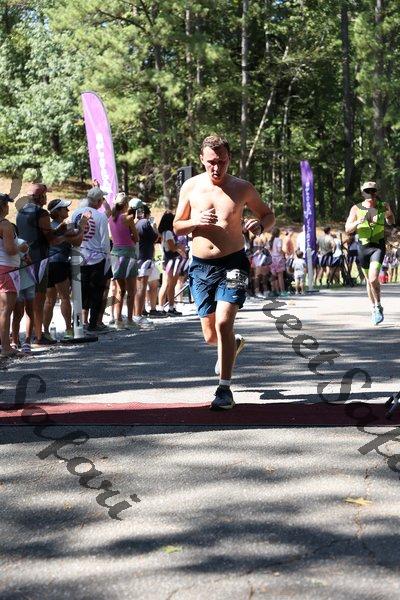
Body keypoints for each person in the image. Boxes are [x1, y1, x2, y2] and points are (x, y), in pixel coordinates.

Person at [174, 135, 275, 410]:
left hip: (234, 263)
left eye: (222, 161)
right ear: (201, 160)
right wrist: (195, 221)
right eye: (211, 162)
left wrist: (260, 226)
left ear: (229, 159)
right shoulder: (191, 187)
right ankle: (232, 344)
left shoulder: (242, 188)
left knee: (223, 323)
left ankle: (224, 389)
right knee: (211, 335)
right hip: (200, 266)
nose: (216, 167)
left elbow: (268, 215)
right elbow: (177, 225)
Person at [16, 183, 75, 345]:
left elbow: (37, 234)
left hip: (24, 259)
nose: (46, 198)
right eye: (45, 195)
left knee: (28, 300)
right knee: (39, 300)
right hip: (39, 260)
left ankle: (25, 337)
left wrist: (59, 230)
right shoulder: (41, 213)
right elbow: (51, 240)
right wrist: (66, 235)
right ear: (40, 197)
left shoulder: (21, 211)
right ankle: (39, 336)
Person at [345, 181, 394, 325]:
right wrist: (357, 222)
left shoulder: (383, 205)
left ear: (376, 192)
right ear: (363, 193)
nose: (370, 193)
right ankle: (374, 308)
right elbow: (348, 229)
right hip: (363, 248)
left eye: (373, 190)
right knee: (368, 280)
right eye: (367, 191)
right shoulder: (356, 208)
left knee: (373, 279)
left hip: (378, 246)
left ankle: (378, 305)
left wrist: (389, 214)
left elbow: (391, 222)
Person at [43, 199, 88, 339]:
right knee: (64, 298)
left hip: (47, 265)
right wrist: (82, 225)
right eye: (65, 208)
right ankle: (69, 330)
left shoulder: (50, 227)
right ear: (57, 212)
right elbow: (77, 241)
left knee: (49, 300)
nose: (68, 210)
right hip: (59, 264)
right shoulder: (64, 226)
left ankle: (45, 332)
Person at [71, 187, 111, 332]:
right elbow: (105, 241)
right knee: (96, 293)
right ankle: (93, 324)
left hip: (78, 256)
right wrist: (107, 256)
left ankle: (77, 323)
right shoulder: (100, 216)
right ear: (99, 201)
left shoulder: (75, 213)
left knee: (79, 292)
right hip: (96, 259)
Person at [0, 193, 29, 357]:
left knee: (2, 310)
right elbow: (11, 250)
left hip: (3, 268)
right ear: (3, 207)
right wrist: (22, 248)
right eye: (7, 204)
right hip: (7, 269)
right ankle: (6, 347)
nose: (8, 207)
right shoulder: (5, 225)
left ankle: (4, 345)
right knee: (6, 310)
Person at [108, 193, 139, 329]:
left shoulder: (111, 218)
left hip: (115, 253)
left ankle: (118, 319)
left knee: (120, 289)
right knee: (131, 289)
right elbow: (136, 238)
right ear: (126, 204)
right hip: (128, 253)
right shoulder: (128, 218)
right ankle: (130, 319)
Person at [133, 200, 158, 327]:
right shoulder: (145, 223)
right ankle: (138, 315)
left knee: (137, 287)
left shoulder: (135, 223)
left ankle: (136, 313)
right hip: (145, 257)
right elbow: (155, 238)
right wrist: (154, 228)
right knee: (141, 287)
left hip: (137, 257)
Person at [158, 211, 186, 316]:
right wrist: (179, 245)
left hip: (167, 260)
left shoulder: (163, 233)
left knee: (166, 284)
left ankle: (163, 307)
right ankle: (170, 307)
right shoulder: (169, 233)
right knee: (170, 285)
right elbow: (172, 248)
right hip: (171, 261)